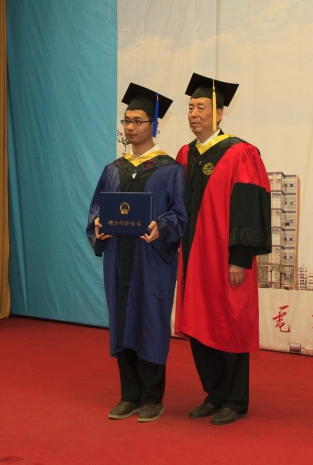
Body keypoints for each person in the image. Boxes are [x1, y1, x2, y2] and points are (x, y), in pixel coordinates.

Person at [174, 73, 271, 425]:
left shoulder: (240, 152)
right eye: (190, 107)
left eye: (201, 107)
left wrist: (240, 257)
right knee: (199, 322)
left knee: (230, 322)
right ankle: (214, 394)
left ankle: (235, 400)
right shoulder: (185, 154)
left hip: (226, 257)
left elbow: (249, 206)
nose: (193, 114)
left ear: (218, 114)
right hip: (193, 257)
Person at [86, 83, 187, 423]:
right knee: (122, 321)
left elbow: (179, 216)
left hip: (151, 261)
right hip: (119, 259)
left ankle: (152, 398)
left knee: (150, 322)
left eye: (138, 121)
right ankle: (129, 395)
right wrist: (98, 225)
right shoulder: (113, 169)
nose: (130, 127)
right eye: (126, 120)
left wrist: (163, 226)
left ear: (153, 124)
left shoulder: (170, 170)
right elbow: (97, 210)